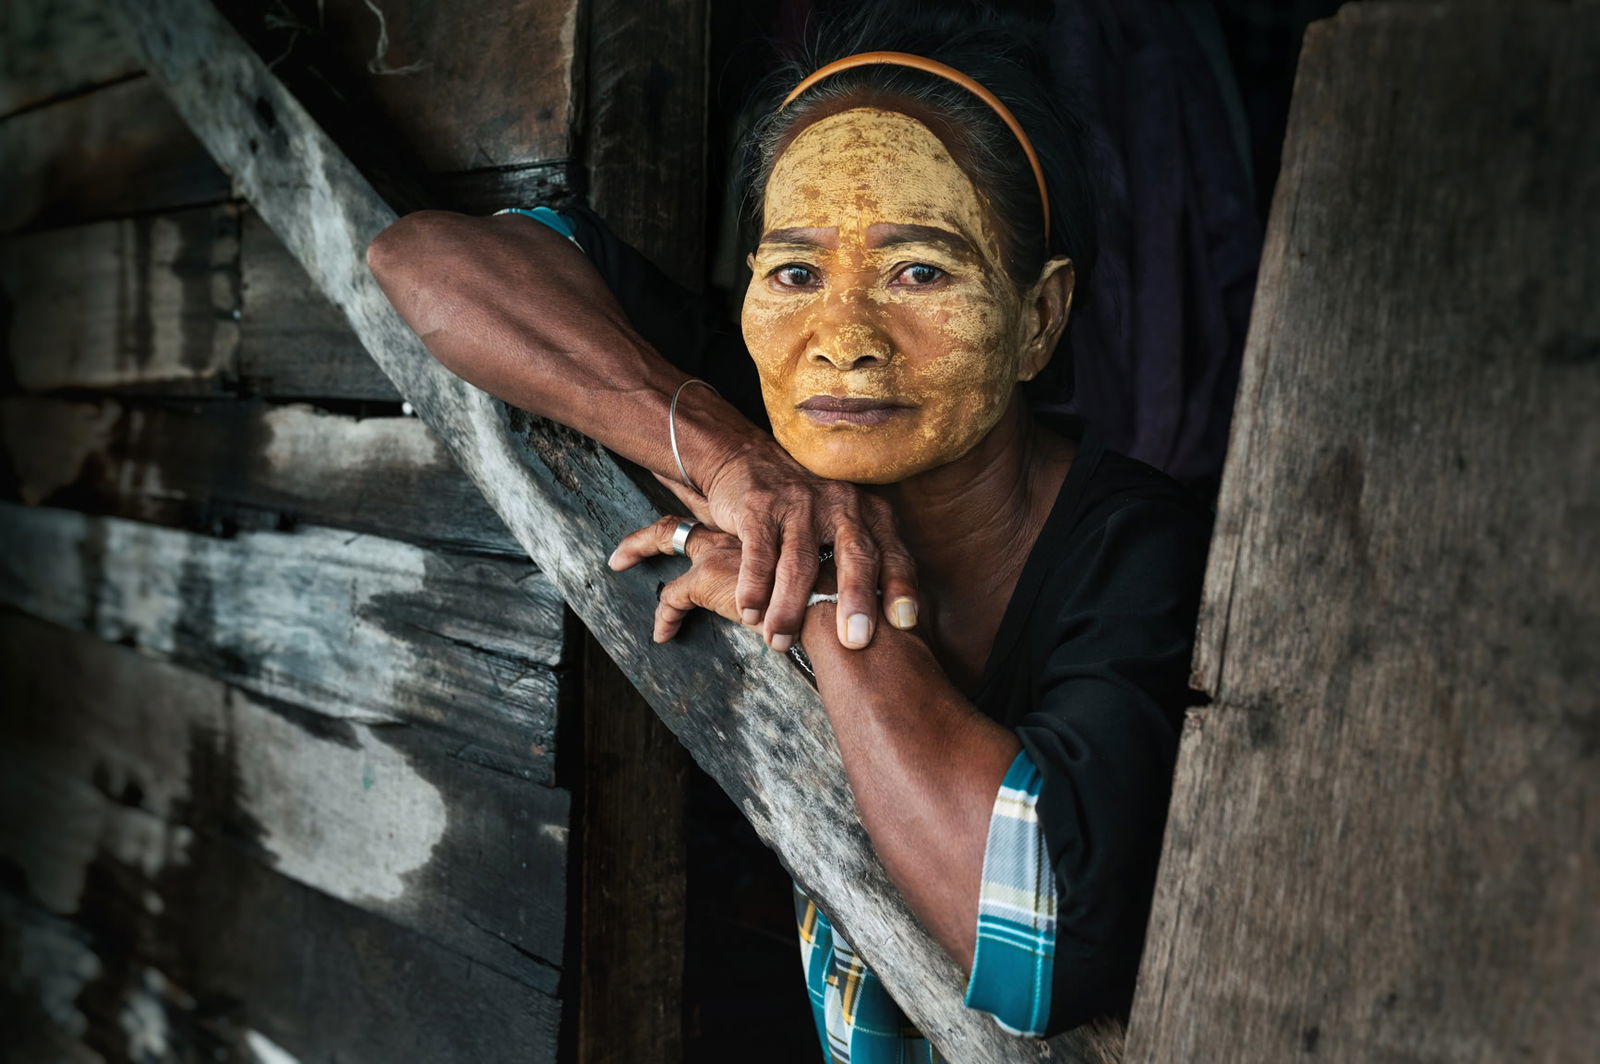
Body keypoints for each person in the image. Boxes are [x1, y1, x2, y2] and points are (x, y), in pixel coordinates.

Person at [367, 5, 1210, 1057]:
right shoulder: (756, 418)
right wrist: (728, 458)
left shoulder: (1144, 552)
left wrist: (822, 591)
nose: (843, 340)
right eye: (796, 272)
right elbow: (420, 259)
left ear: (1039, 316)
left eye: (919, 272)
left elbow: (1039, 940)